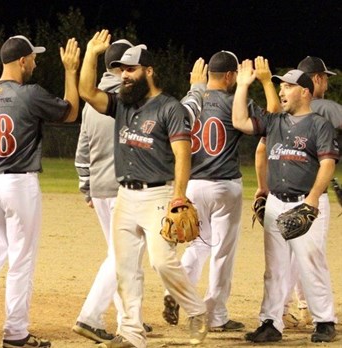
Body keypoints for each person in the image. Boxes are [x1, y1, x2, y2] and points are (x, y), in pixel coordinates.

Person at [78, 29, 209, 348]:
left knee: (161, 261)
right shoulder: (120, 105)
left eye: (131, 68)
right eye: (122, 69)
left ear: (148, 71)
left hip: (158, 195)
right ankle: (131, 335)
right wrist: (91, 55)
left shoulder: (168, 108)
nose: (125, 74)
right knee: (124, 266)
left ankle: (195, 310)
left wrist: (179, 194)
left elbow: (182, 154)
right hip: (125, 195)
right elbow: (86, 91)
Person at [0, 35, 80, 348]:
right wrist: (71, 71)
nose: (34, 62)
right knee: (21, 260)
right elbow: (70, 111)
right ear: (21, 61)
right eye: (32, 58)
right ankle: (15, 334)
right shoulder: (30, 93)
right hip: (19, 183)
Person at [161, 53, 279, 332]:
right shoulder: (234, 101)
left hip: (192, 184)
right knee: (222, 252)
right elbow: (273, 120)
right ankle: (216, 316)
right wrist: (260, 82)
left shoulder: (189, 103)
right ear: (228, 76)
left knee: (199, 244)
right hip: (225, 186)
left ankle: (176, 290)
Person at [232, 63, 338, 343]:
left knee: (311, 263)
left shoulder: (319, 125)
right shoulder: (274, 121)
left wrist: (313, 199)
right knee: (275, 267)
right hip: (276, 203)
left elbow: (328, 164)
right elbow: (240, 122)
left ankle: (324, 321)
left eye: (288, 86)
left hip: (307, 203)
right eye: (281, 86)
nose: (282, 91)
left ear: (305, 92)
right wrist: (243, 85)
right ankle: (270, 322)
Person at [72, 39, 132, 344]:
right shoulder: (127, 97)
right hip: (125, 189)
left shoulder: (91, 101)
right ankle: (90, 317)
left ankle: (127, 319)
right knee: (121, 256)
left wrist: (87, 189)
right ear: (122, 67)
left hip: (99, 189)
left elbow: (82, 151)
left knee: (119, 254)